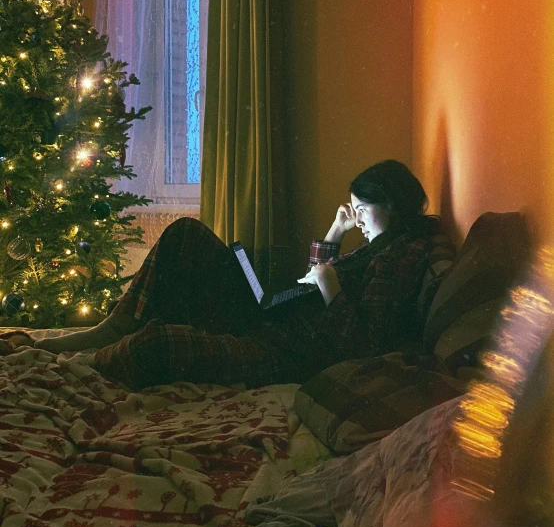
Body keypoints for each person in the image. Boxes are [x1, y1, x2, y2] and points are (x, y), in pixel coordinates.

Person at [34, 159, 443, 390]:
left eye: (363, 210)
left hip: (288, 353)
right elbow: (313, 283)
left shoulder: (403, 258)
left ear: (392, 203)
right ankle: (112, 326)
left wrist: (331, 288)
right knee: (185, 234)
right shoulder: (381, 246)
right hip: (271, 320)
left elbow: (367, 344)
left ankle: (75, 366)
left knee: (159, 343)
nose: (359, 219)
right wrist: (337, 232)